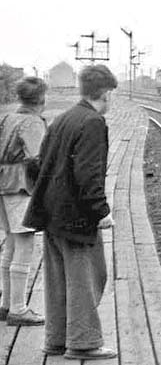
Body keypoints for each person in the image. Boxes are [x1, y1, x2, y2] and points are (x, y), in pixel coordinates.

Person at [23, 65, 117, 360]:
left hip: (51, 214)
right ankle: (84, 342)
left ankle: (56, 340)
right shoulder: (92, 122)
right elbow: (89, 174)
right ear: (106, 93)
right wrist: (101, 211)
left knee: (57, 281)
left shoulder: (62, 119)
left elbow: (37, 165)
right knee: (85, 280)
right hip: (76, 217)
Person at [0, 76, 48, 326]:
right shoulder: (32, 121)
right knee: (25, 245)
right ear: (41, 98)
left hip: (3, 184)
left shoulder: (8, 117)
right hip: (21, 186)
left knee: (10, 244)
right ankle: (18, 309)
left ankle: (6, 304)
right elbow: (37, 158)